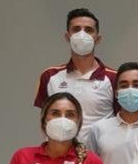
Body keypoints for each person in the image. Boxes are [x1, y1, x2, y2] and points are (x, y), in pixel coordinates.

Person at [34, 8, 117, 140]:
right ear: (67, 36)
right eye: (76, 29)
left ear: (98, 38)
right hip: (60, 155)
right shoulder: (49, 76)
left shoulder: (114, 78)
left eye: (89, 30)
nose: (82, 34)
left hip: (98, 157)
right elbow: (45, 119)